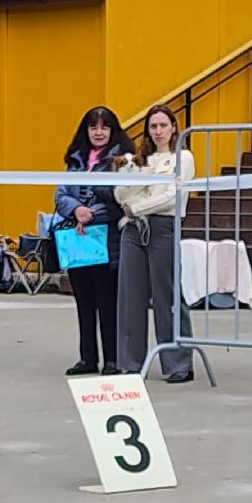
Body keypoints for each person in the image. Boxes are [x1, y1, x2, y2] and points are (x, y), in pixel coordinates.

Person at [115, 104, 196, 383]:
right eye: (153, 126)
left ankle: (178, 362)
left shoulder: (182, 157)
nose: (158, 131)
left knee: (168, 295)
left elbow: (172, 197)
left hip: (162, 227)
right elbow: (120, 193)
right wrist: (142, 179)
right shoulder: (138, 160)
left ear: (173, 127)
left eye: (163, 125)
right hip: (132, 230)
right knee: (130, 296)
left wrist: (138, 207)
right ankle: (129, 361)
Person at [54, 106, 132, 376]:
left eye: (104, 127)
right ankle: (87, 358)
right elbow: (60, 195)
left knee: (107, 301)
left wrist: (89, 214)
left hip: (106, 239)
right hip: (77, 240)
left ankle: (112, 359)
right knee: (83, 301)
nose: (98, 132)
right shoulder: (75, 160)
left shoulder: (122, 160)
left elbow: (118, 198)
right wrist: (76, 210)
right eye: (93, 127)